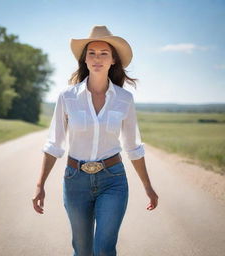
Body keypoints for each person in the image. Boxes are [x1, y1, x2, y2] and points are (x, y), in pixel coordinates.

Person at [32, 25, 159, 256]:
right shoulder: (67, 97)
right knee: (82, 249)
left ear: (113, 60)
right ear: (85, 60)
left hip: (113, 180)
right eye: (92, 53)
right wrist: (40, 185)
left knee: (104, 249)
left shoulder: (124, 99)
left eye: (104, 53)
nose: (97, 58)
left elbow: (133, 147)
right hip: (75, 180)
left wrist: (148, 187)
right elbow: (54, 144)